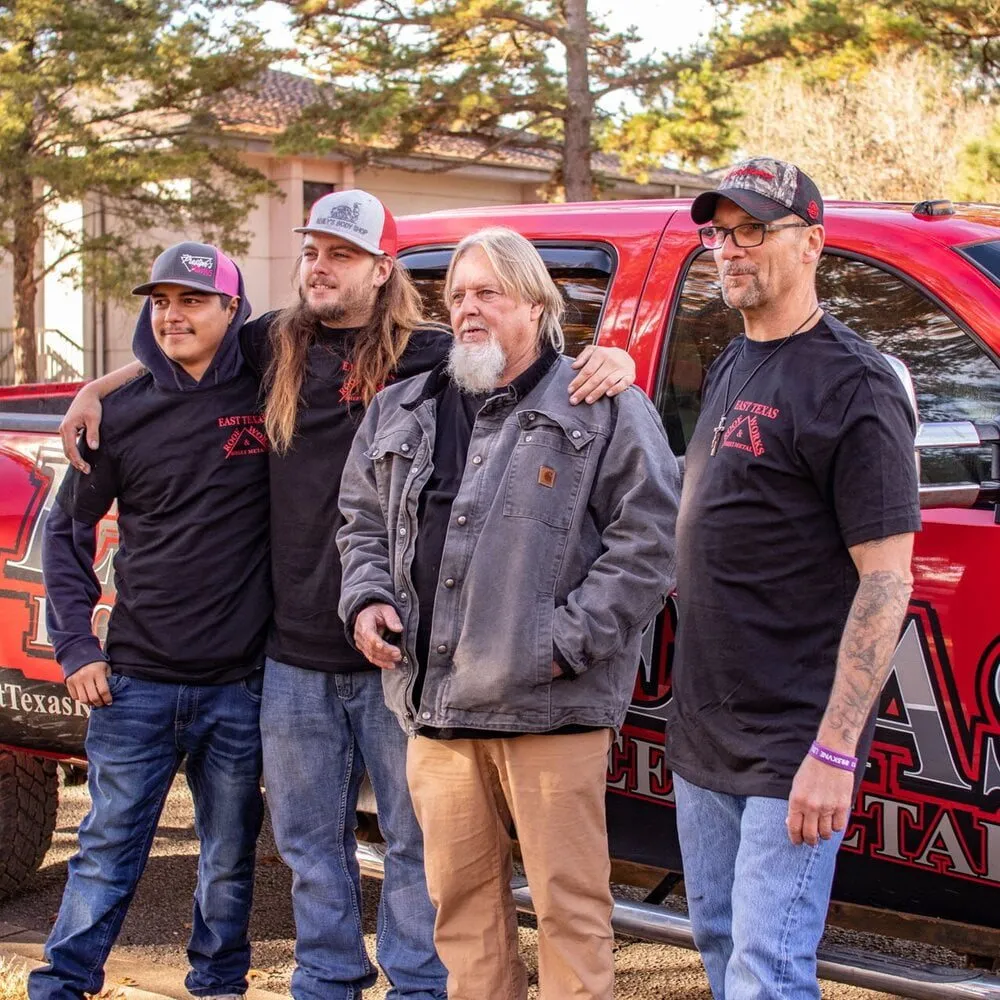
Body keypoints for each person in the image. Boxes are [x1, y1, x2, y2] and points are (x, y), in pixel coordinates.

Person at [57, 191, 638, 1000]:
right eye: (310, 253)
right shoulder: (274, 342)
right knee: (306, 844)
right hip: (290, 653)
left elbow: (520, 359)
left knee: (417, 844)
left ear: (381, 268)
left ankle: (416, 987)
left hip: (400, 660)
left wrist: (613, 358)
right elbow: (183, 341)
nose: (318, 268)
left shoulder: (429, 357)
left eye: (340, 254)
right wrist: (100, 388)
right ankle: (326, 982)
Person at [336, 226, 680, 1000]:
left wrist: (557, 644)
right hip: (436, 714)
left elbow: (649, 542)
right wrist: (365, 600)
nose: (468, 309)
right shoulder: (404, 407)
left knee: (571, 913)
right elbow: (358, 523)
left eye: (488, 292)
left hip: (548, 712)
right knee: (462, 914)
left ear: (535, 303)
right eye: (457, 296)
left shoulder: (603, 406)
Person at [663, 158, 920, 1000]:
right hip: (705, 738)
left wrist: (834, 751)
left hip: (792, 747)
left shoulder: (856, 385)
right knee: (717, 944)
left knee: (765, 972)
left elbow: (887, 581)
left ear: (811, 243)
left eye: (753, 231)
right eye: (719, 233)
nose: (729, 250)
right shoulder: (737, 361)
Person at [30, 244, 268, 1000]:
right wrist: (76, 646)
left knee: (229, 858)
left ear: (232, 311)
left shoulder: (272, 388)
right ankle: (62, 986)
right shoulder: (117, 417)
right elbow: (62, 537)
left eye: (193, 301)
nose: (172, 315)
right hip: (134, 683)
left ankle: (218, 987)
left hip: (242, 687)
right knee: (105, 850)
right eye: (161, 301)